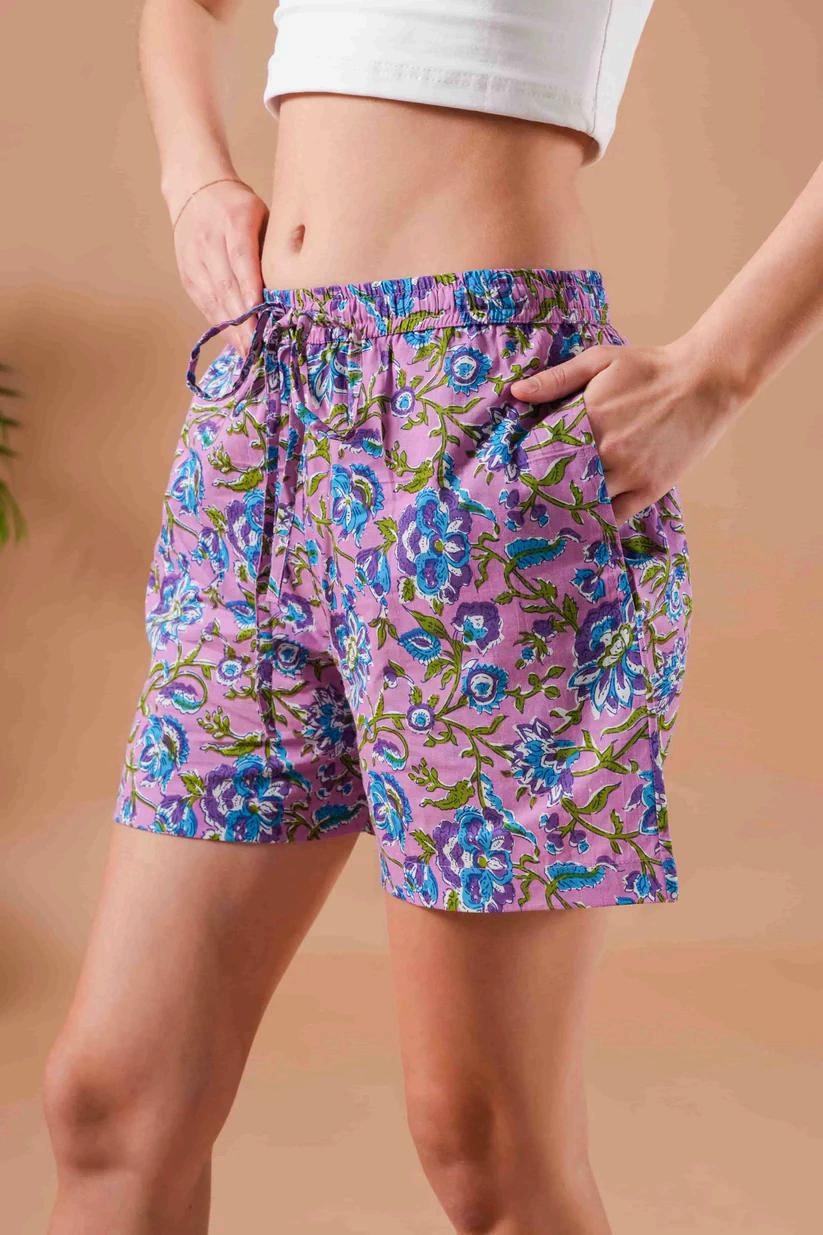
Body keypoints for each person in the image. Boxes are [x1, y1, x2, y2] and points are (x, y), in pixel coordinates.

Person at [42, 2, 823, 1232]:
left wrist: (719, 368)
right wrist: (195, 180)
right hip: (261, 424)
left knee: (483, 1136)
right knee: (112, 1102)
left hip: (485, 435)